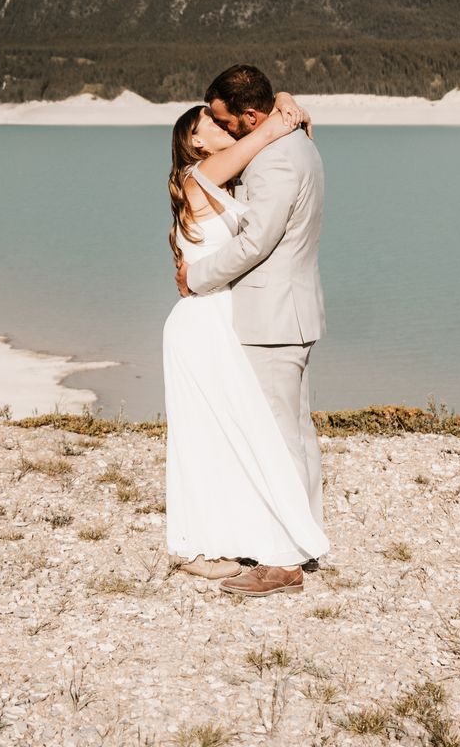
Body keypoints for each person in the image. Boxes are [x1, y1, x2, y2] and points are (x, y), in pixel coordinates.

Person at [161, 83, 329, 593]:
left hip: (240, 318)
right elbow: (262, 138)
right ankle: (223, 543)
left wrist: (282, 96)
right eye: (207, 124)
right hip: (206, 320)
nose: (220, 126)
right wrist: (280, 115)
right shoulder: (201, 175)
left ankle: (289, 543)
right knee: (224, 433)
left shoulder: (228, 179)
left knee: (265, 432)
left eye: (220, 118)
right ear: (194, 143)